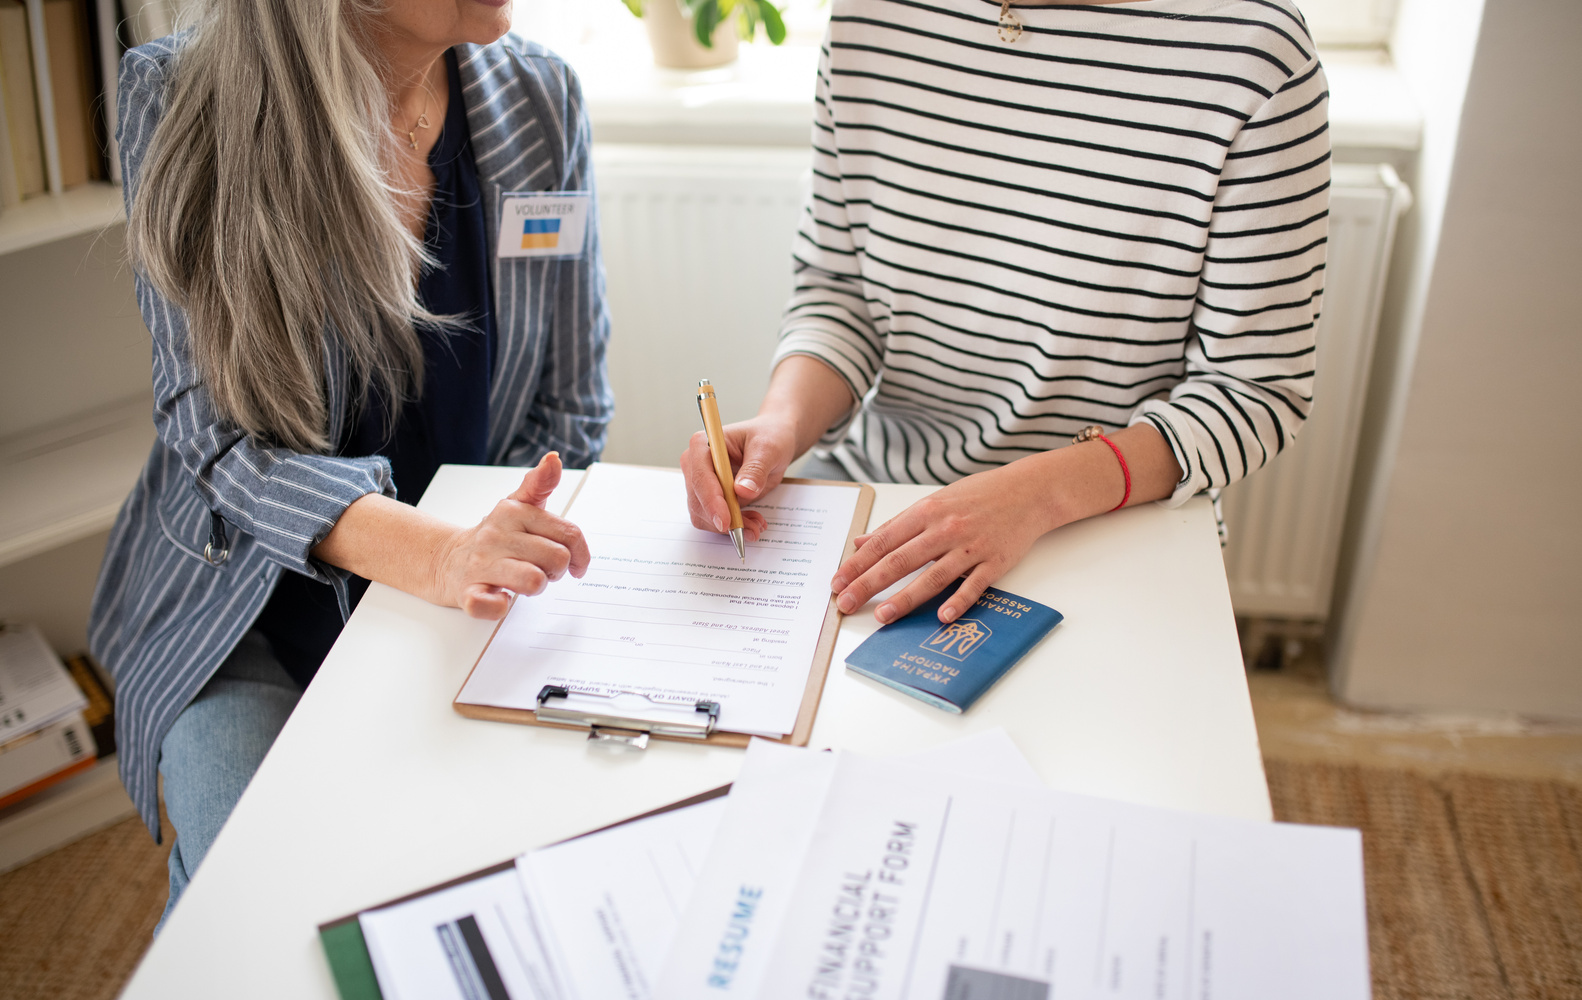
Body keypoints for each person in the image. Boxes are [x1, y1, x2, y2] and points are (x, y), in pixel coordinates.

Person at [88, 0, 611, 927]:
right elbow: (212, 435)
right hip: (241, 609)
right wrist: (437, 557)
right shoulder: (184, 97)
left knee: (487, 884)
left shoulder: (539, 97)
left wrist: (498, 560)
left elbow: (569, 403)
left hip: (454, 608)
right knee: (258, 908)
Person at [683, 0, 1328, 627]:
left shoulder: (1255, 48)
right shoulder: (869, 14)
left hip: (1109, 523)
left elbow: (1256, 391)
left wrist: (1037, 493)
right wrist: (782, 421)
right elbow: (840, 289)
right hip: (890, 504)